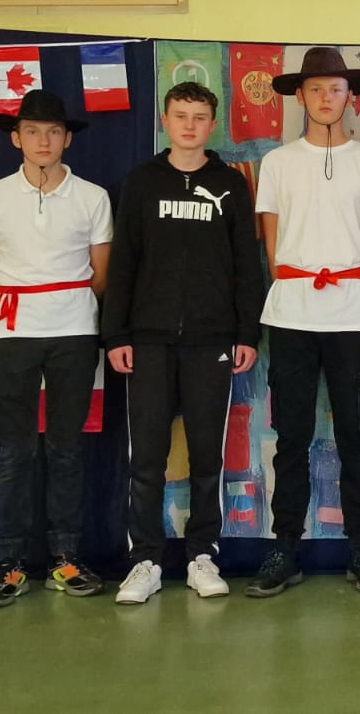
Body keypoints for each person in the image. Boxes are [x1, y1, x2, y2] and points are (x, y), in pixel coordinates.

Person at [103, 81, 265, 604]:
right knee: (147, 457)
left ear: (212, 125)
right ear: (165, 121)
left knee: (206, 454)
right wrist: (117, 334)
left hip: (212, 341)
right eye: (180, 115)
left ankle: (202, 554)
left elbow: (246, 265)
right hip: (147, 342)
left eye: (199, 117)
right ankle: (146, 560)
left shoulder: (230, 184)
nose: (189, 125)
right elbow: (123, 264)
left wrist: (246, 332)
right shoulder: (142, 181)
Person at [247, 48, 360, 597]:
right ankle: (284, 546)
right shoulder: (278, 163)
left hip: (350, 309)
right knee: (292, 435)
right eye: (315, 89)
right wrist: (302, 273)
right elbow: (271, 242)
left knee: (356, 432)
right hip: (291, 310)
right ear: (300, 96)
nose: (326, 98)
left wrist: (340, 269)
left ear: (349, 96)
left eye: (335, 88)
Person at [0, 89, 112, 608]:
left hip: (74, 332)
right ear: (16, 139)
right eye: (32, 131)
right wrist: (12, 315)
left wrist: (66, 309)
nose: (43, 141)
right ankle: (9, 563)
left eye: (53, 132)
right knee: (15, 449)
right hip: (12, 334)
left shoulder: (93, 197)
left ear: (67, 138)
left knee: (66, 447)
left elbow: (101, 274)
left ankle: (64, 558)